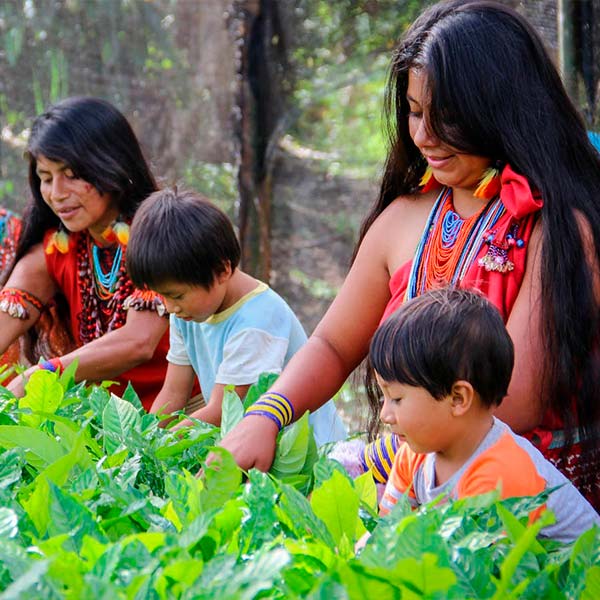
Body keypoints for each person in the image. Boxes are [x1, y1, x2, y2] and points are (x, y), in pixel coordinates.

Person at [218, 0, 600, 511]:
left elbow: (515, 404)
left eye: (445, 118)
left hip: (525, 517)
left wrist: (378, 462)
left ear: (499, 109)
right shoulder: (403, 218)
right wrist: (266, 415)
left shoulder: (557, 227)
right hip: (420, 489)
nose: (423, 137)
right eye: (415, 113)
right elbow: (332, 345)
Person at [364, 287, 599, 544]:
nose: (385, 414)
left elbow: (474, 573)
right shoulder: (414, 454)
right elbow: (387, 534)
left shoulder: (499, 476)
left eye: (397, 399)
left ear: (458, 399)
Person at [126, 187, 346, 445]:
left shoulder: (257, 320)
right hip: (254, 443)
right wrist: (141, 442)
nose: (169, 307)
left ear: (222, 270)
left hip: (307, 456)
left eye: (176, 296)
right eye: (161, 295)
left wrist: (160, 445)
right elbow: (174, 393)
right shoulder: (187, 313)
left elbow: (221, 411)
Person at [0, 96, 170, 410]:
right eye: (46, 178)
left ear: (111, 164)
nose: (57, 193)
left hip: (187, 421)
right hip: (107, 427)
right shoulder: (58, 247)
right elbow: (5, 319)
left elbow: (138, 342)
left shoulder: (159, 233)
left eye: (72, 175)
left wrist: (44, 373)